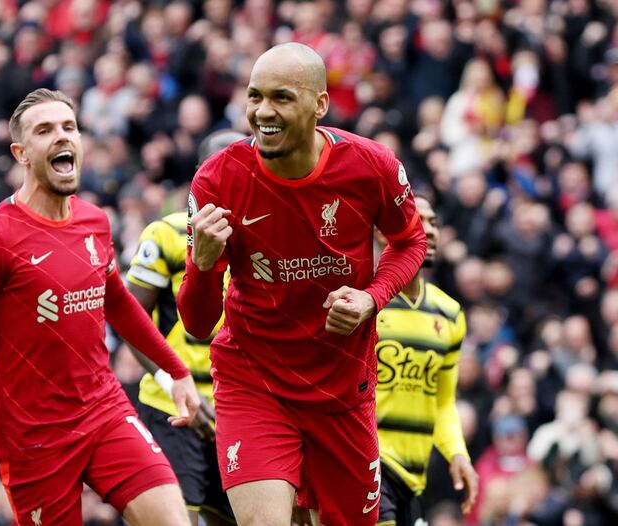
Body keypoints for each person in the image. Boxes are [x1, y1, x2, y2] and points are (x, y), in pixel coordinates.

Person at [0, 88, 200, 526]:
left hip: (104, 409)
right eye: (45, 130)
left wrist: (176, 372)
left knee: (173, 519)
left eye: (69, 127)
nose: (62, 137)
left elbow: (119, 305)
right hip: (31, 438)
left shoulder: (94, 221)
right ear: (21, 153)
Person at [177, 43, 427, 526]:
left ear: (320, 105)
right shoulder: (217, 179)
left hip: (341, 389)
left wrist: (372, 298)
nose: (263, 112)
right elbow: (198, 322)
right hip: (255, 379)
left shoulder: (370, 166)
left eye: (282, 98)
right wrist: (203, 266)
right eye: (254, 97)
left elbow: (409, 241)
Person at [127, 129, 245, 526]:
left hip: (240, 411)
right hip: (172, 410)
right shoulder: (166, 233)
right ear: (201, 174)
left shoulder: (263, 238)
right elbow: (132, 322)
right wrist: (173, 385)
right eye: (220, 165)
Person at [374, 195, 479, 526]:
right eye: (420, 221)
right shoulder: (363, 300)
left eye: (434, 222)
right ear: (382, 232)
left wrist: (457, 452)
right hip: (368, 465)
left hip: (413, 478)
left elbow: (443, 400)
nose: (431, 231)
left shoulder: (449, 314)